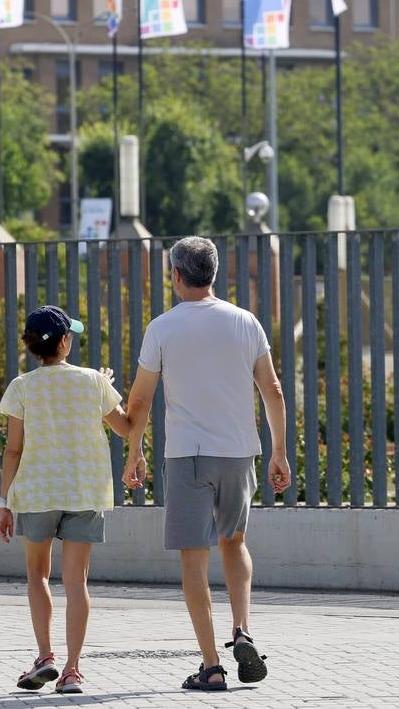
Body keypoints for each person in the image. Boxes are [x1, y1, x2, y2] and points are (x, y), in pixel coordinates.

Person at [122, 236, 292, 693]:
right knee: (234, 543)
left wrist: (134, 450)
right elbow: (272, 390)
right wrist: (278, 450)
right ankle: (242, 629)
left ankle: (212, 665)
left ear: (176, 275)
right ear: (213, 273)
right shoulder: (245, 322)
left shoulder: (162, 328)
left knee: (193, 560)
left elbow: (139, 401)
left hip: (188, 454)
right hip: (240, 451)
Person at [0, 305, 131, 696]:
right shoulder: (93, 381)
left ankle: (45, 656)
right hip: (84, 492)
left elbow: (12, 452)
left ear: (33, 347)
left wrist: (4, 502)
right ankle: (72, 670)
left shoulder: (22, 386)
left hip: (37, 493)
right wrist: (106, 388)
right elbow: (123, 427)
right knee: (77, 583)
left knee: (38, 576)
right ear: (66, 341)